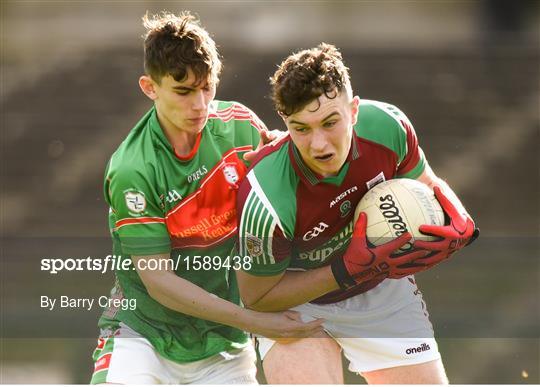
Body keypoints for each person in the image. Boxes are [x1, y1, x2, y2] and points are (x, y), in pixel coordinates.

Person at [90, 12, 323, 385]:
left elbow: (288, 192)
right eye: (183, 92)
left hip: (222, 345)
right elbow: (159, 282)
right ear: (150, 87)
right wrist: (256, 320)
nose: (199, 105)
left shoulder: (241, 127)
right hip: (144, 336)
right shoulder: (133, 168)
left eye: (207, 88)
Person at [236, 43, 479, 384]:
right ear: (285, 123)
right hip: (298, 303)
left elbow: (427, 185)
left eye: (329, 122)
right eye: (301, 128)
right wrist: (346, 268)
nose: (318, 144)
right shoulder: (266, 196)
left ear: (353, 110)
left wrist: (460, 219)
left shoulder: (388, 127)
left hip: (378, 287)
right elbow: (257, 296)